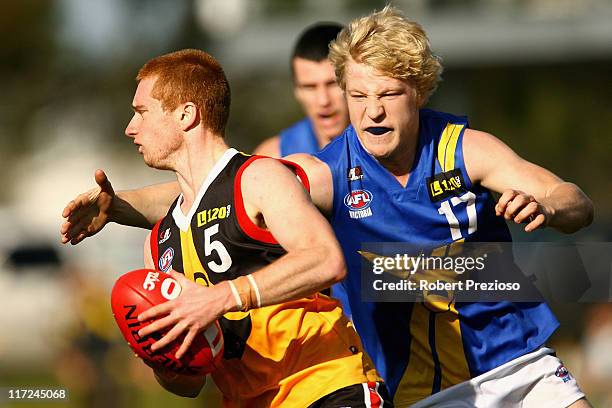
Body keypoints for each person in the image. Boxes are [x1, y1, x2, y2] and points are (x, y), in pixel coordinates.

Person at [61, 7, 595, 407]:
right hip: (418, 390)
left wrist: (545, 203)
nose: (372, 111)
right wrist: (118, 206)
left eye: (387, 94)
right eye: (358, 97)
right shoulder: (329, 170)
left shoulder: (463, 148)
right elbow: (233, 191)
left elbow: (572, 200)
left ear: (419, 91)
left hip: (518, 363)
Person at [66, 48, 390, 407]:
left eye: (142, 112)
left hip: (325, 388)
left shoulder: (258, 177)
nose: (131, 127)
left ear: (186, 114)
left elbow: (326, 260)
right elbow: (190, 385)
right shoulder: (158, 244)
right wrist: (161, 354)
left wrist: (221, 298)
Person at [253, 22, 349, 157]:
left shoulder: (385, 151)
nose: (323, 100)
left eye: (333, 84)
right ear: (296, 91)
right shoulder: (273, 159)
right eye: (310, 87)